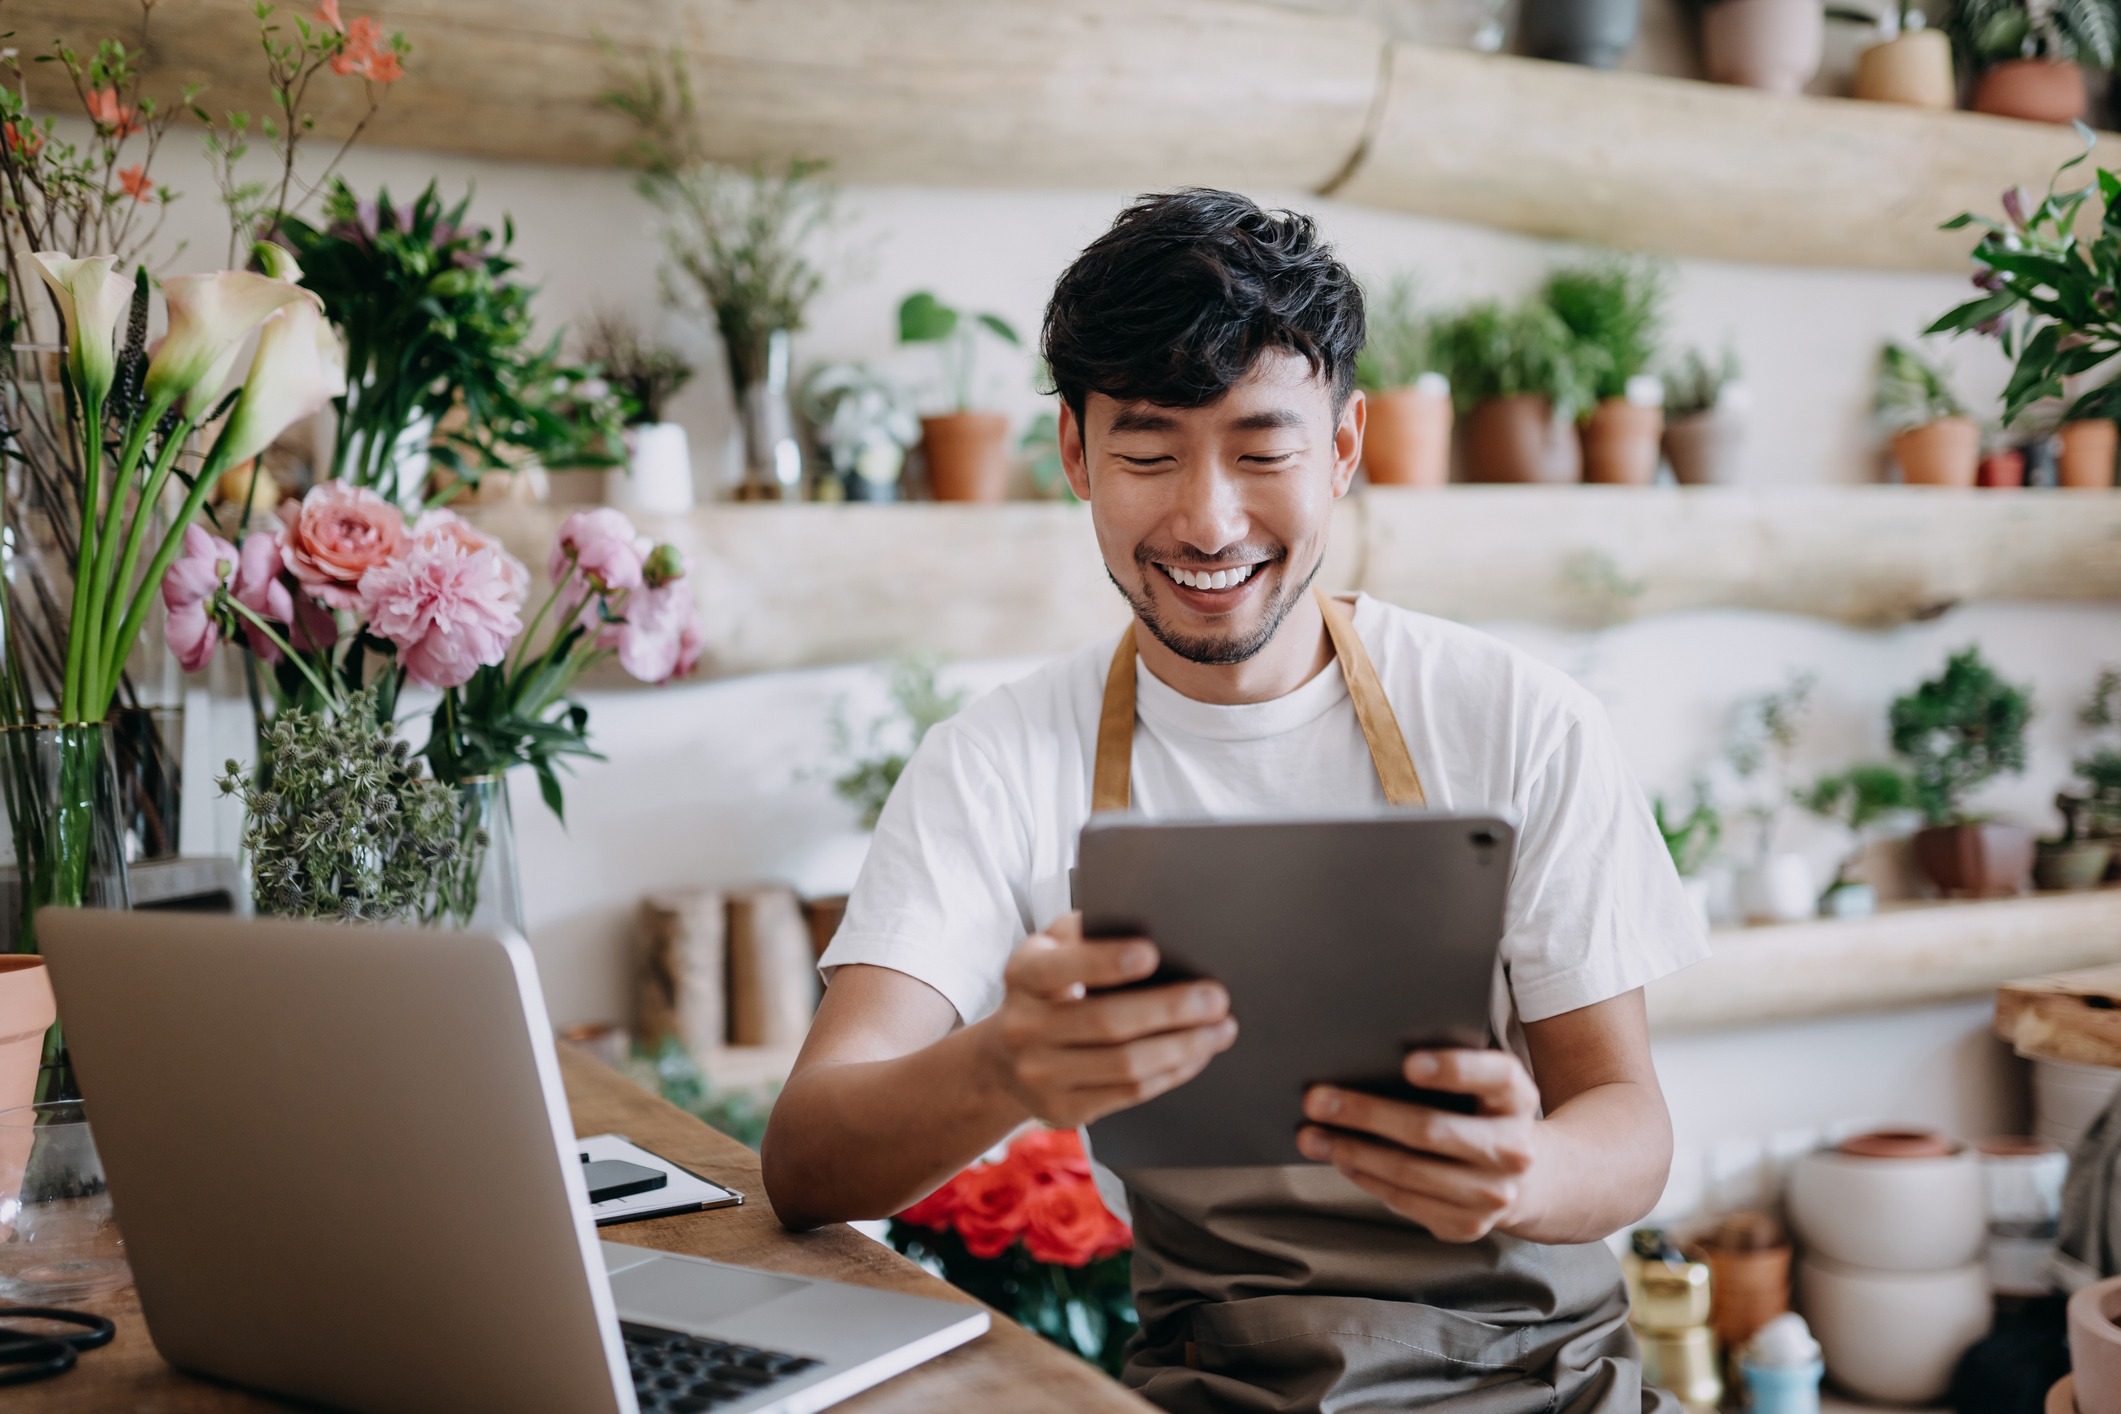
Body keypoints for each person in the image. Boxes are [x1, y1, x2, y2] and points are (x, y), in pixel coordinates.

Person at [762, 189, 1707, 1413]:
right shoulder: (994, 762)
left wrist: (1522, 1169)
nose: (1207, 520)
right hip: (1222, 1387)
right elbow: (805, 1156)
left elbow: (1627, 1120)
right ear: (1074, 455)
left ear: (1347, 449)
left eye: (1264, 452)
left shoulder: (1517, 718)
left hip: (1543, 1382)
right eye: (1149, 454)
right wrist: (1005, 1064)